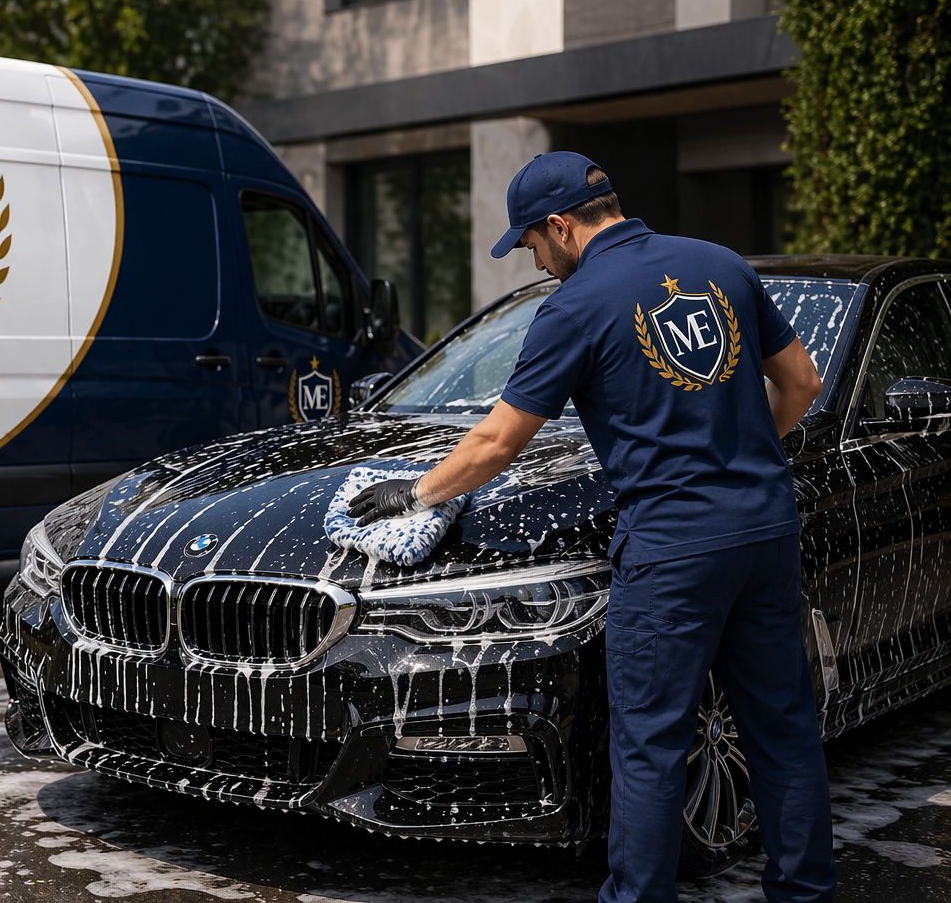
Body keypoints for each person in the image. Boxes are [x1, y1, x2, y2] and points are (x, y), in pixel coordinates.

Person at [347, 152, 835, 903]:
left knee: (651, 745)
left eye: (532, 245)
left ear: (562, 226)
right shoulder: (722, 266)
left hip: (673, 551)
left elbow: (496, 443)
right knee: (783, 727)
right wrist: (741, 457)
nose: (537, 264)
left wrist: (415, 494)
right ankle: (806, 894)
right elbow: (801, 383)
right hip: (765, 530)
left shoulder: (576, 306)